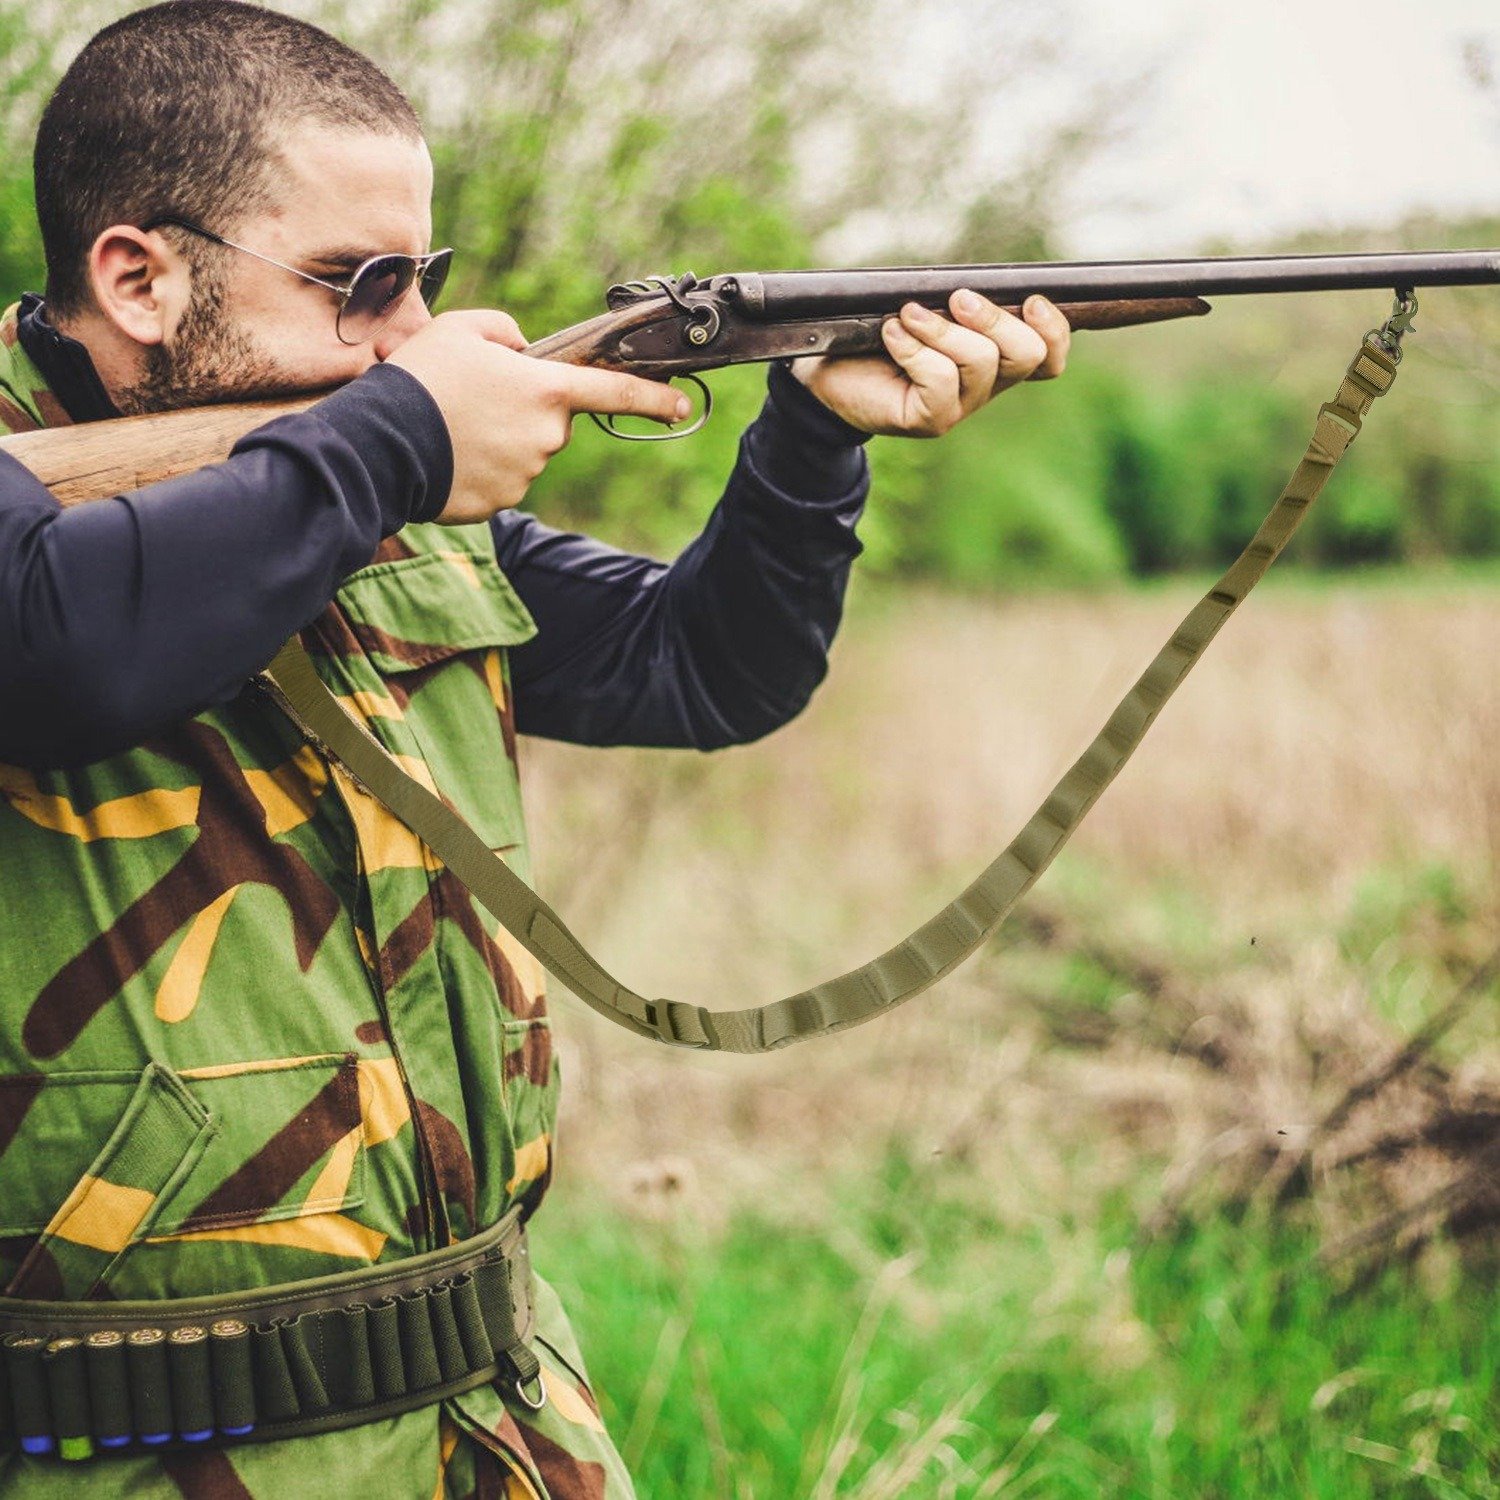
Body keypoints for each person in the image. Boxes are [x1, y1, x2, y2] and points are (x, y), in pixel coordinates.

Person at [0, 3, 1070, 1495]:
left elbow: (700, 669)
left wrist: (814, 434)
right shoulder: (355, 459)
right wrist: (402, 439)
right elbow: (56, 648)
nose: (411, 340)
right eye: (361, 285)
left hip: (489, 1419)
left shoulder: (354, 475)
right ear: (138, 276)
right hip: (120, 1452)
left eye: (422, 280)